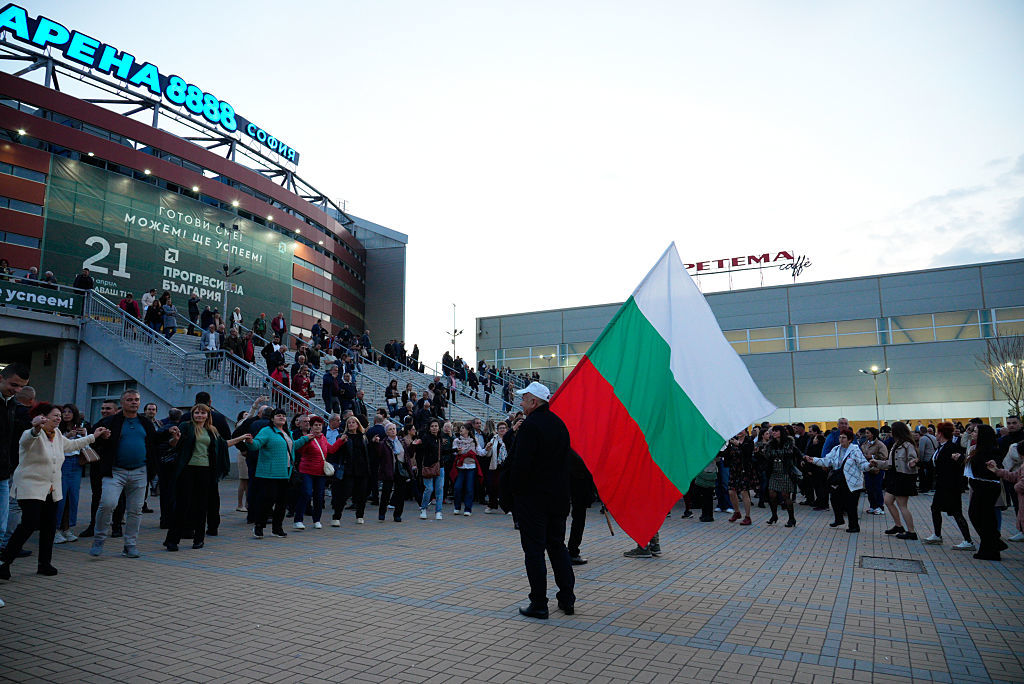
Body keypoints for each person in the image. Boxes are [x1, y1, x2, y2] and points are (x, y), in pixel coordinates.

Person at [0, 403, 109, 580]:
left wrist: (93, 436)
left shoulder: (57, 434)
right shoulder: (31, 434)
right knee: (28, 524)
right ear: (42, 417)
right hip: (31, 487)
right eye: (54, 415)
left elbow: (71, 446)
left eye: (60, 415)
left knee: (49, 526)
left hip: (51, 489)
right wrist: (35, 426)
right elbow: (29, 438)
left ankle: (44, 563)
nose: (59, 418)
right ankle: (5, 562)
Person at [510, 382, 575, 619]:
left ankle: (539, 603)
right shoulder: (559, 424)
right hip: (558, 498)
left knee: (534, 551)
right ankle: (567, 599)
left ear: (534, 402)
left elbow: (520, 465)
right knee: (558, 546)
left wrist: (514, 496)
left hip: (533, 499)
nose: (521, 402)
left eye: (524, 399)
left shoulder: (530, 427)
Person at [89, 390, 167, 559]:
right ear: (122, 403)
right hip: (115, 471)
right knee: (107, 504)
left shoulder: (145, 422)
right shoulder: (110, 421)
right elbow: (94, 440)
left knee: (135, 510)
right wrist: (103, 438)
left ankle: (130, 545)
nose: (134, 402)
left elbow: (154, 440)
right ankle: (99, 539)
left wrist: (170, 434)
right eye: (129, 400)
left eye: (136, 400)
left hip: (140, 471)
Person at [163, 404, 246, 551]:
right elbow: (174, 444)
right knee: (182, 505)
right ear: (192, 414)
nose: (199, 415)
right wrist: (175, 438)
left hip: (206, 471)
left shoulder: (212, 430)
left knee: (201, 506)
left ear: (207, 415)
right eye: (196, 413)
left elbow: (222, 445)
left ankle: (199, 539)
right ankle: (172, 540)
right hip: (187, 469)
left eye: (202, 413)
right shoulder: (185, 426)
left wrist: (240, 438)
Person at [247, 409, 311, 539]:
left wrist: (305, 439)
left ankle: (277, 528)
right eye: (278, 415)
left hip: (285, 473)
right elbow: (256, 445)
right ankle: (259, 527)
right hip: (269, 473)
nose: (281, 417)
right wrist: (250, 442)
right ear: (272, 418)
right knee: (267, 501)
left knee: (282, 503)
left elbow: (292, 447)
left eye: (283, 416)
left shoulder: (287, 432)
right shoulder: (267, 431)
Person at [806, 428, 870, 534]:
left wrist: (870, 465)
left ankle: (854, 526)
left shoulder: (855, 450)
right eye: (840, 437)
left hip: (852, 482)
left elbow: (862, 464)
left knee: (851, 505)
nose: (841, 439)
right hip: (839, 480)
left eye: (844, 437)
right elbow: (827, 461)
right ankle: (839, 519)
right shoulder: (836, 449)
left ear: (850, 440)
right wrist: (813, 460)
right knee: (835, 500)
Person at [922, 422, 974, 549]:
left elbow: (958, 464)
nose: (935, 434)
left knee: (956, 512)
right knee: (935, 508)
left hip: (950, 486)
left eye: (937, 432)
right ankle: (937, 535)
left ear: (940, 433)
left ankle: (968, 541)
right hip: (942, 485)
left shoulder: (951, 447)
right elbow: (932, 464)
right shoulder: (941, 447)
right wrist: (918, 463)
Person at [293, 415, 345, 530]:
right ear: (311, 427)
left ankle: (316, 520)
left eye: (320, 425)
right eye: (315, 425)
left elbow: (330, 450)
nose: (318, 427)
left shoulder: (323, 438)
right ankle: (298, 519)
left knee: (319, 496)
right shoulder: (307, 438)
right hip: (306, 470)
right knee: (306, 493)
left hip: (320, 472)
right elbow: (299, 450)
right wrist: (306, 440)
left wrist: (340, 441)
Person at [964, 425, 1004, 561]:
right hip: (980, 486)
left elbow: (992, 467)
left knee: (982, 517)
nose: (972, 434)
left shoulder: (991, 450)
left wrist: (994, 465)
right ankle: (992, 545)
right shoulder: (977, 449)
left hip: (987, 487)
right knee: (979, 516)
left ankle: (992, 547)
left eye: (975, 432)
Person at [873, 421, 919, 540]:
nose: (890, 433)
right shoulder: (896, 444)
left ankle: (911, 531)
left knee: (902, 505)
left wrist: (912, 463)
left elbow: (913, 459)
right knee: (888, 501)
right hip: (894, 477)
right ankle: (898, 526)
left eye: (892, 430)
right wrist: (877, 463)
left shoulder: (907, 445)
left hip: (903, 477)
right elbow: (890, 463)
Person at [54, 404, 90, 544]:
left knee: (73, 497)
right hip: (63, 463)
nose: (66, 414)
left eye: (70, 412)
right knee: (60, 497)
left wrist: (84, 436)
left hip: (77, 463)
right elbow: (54, 447)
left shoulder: (79, 428)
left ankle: (67, 528)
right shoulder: (57, 429)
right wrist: (67, 437)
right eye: (64, 412)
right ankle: (55, 529)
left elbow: (86, 448)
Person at [330, 416, 370, 525]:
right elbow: (336, 452)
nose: (351, 424)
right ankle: (336, 517)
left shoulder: (363, 437)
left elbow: (367, 453)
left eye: (353, 422)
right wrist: (341, 441)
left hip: (362, 470)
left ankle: (360, 516)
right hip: (348, 470)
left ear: (358, 425)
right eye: (349, 423)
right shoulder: (343, 437)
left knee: (362, 495)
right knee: (344, 494)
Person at [762, 425, 802, 527]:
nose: (773, 433)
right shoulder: (771, 443)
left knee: (785, 496)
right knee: (772, 494)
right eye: (773, 431)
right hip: (774, 471)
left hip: (785, 472)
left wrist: (804, 459)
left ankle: (791, 519)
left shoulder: (789, 442)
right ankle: (774, 515)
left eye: (776, 431)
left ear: (781, 432)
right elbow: (767, 454)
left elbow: (793, 452)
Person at [377, 422, 415, 523]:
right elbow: (379, 455)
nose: (393, 431)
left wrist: (413, 446)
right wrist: (375, 443)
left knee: (400, 493)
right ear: (386, 432)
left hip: (401, 469)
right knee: (386, 493)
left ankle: (397, 514)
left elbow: (409, 455)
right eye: (390, 429)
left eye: (394, 429)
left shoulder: (401, 441)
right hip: (389, 470)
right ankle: (382, 513)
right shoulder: (383, 443)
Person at [417, 419, 448, 520]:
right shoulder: (425, 438)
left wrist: (455, 450)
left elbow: (442, 452)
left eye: (436, 426)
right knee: (429, 489)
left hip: (440, 466)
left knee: (439, 489)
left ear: (439, 428)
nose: (434, 428)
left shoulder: (440, 438)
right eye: (432, 426)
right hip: (428, 466)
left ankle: (438, 511)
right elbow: (421, 451)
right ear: (429, 428)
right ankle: (423, 508)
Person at [451, 424, 482, 516]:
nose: (461, 430)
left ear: (468, 430)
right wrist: (457, 451)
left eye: (463, 428)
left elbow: (480, 451)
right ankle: (457, 507)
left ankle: (468, 509)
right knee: (457, 487)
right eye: (461, 428)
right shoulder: (457, 440)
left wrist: (487, 449)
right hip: (460, 467)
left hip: (471, 466)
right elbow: (453, 451)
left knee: (469, 488)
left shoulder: (474, 440)